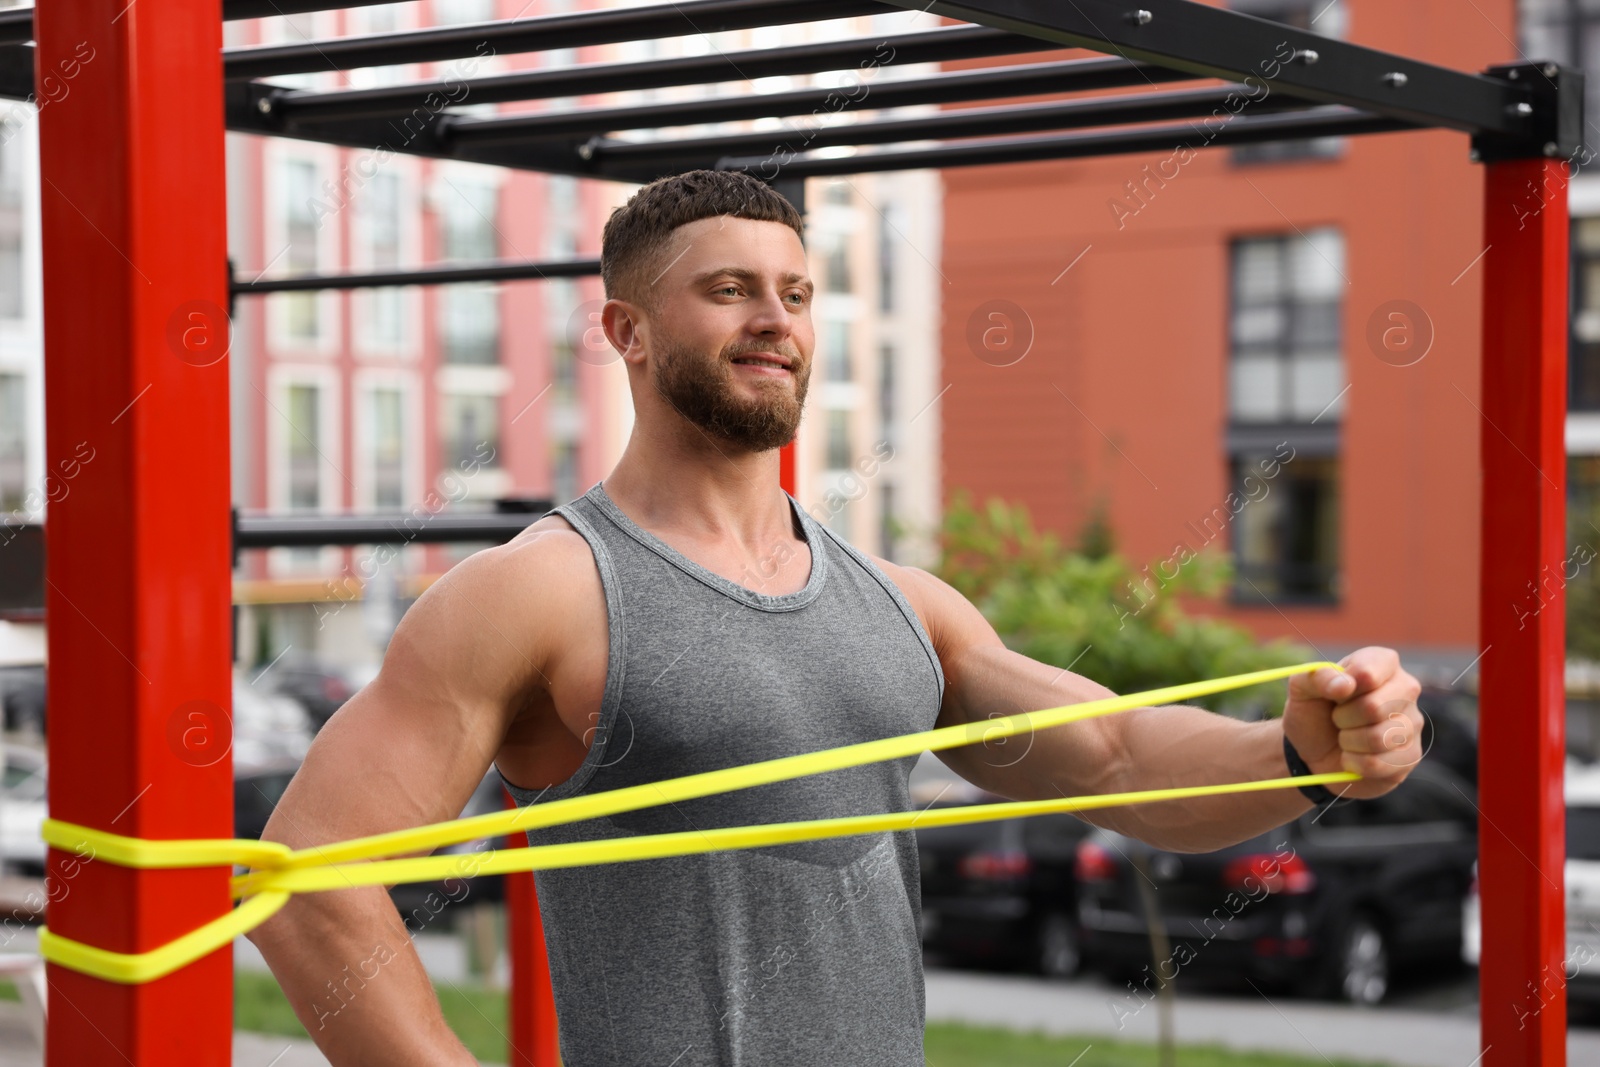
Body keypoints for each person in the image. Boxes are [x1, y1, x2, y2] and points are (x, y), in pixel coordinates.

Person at [247, 169, 1423, 1066]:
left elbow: (1115, 756)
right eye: (729, 290)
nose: (776, 318)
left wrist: (1295, 757)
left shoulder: (900, 600)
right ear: (627, 331)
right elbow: (304, 882)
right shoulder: (542, 588)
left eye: (795, 293)